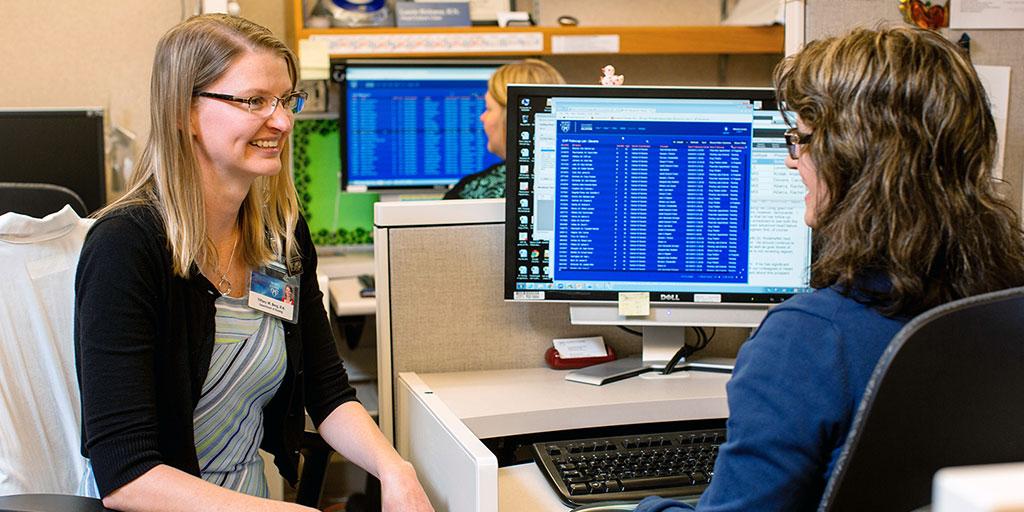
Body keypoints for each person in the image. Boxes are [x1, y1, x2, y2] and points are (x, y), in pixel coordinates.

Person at [635, 26, 1024, 512]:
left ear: (851, 155)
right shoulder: (1006, 304)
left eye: (798, 140)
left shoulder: (811, 339)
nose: (790, 161)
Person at [74, 14, 433, 512]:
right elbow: (126, 476)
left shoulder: (278, 234)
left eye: (286, 100)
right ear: (184, 113)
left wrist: (396, 470)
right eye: (255, 101)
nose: (283, 121)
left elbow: (327, 392)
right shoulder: (126, 247)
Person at [443, 58, 565, 200]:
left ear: (511, 116)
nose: (482, 117)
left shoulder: (470, 193)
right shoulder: (579, 181)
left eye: (488, 109)